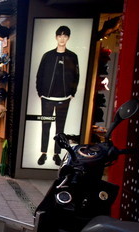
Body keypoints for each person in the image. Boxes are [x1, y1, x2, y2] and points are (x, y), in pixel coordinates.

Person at [36, 25, 79, 167]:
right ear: (56, 37)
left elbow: (76, 75)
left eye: (65, 36)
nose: (62, 38)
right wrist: (40, 92)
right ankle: (43, 153)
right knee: (45, 126)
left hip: (64, 98)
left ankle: (56, 154)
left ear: (68, 38)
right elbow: (40, 74)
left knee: (60, 128)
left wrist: (72, 93)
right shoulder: (48, 55)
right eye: (60, 35)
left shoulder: (72, 56)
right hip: (47, 98)